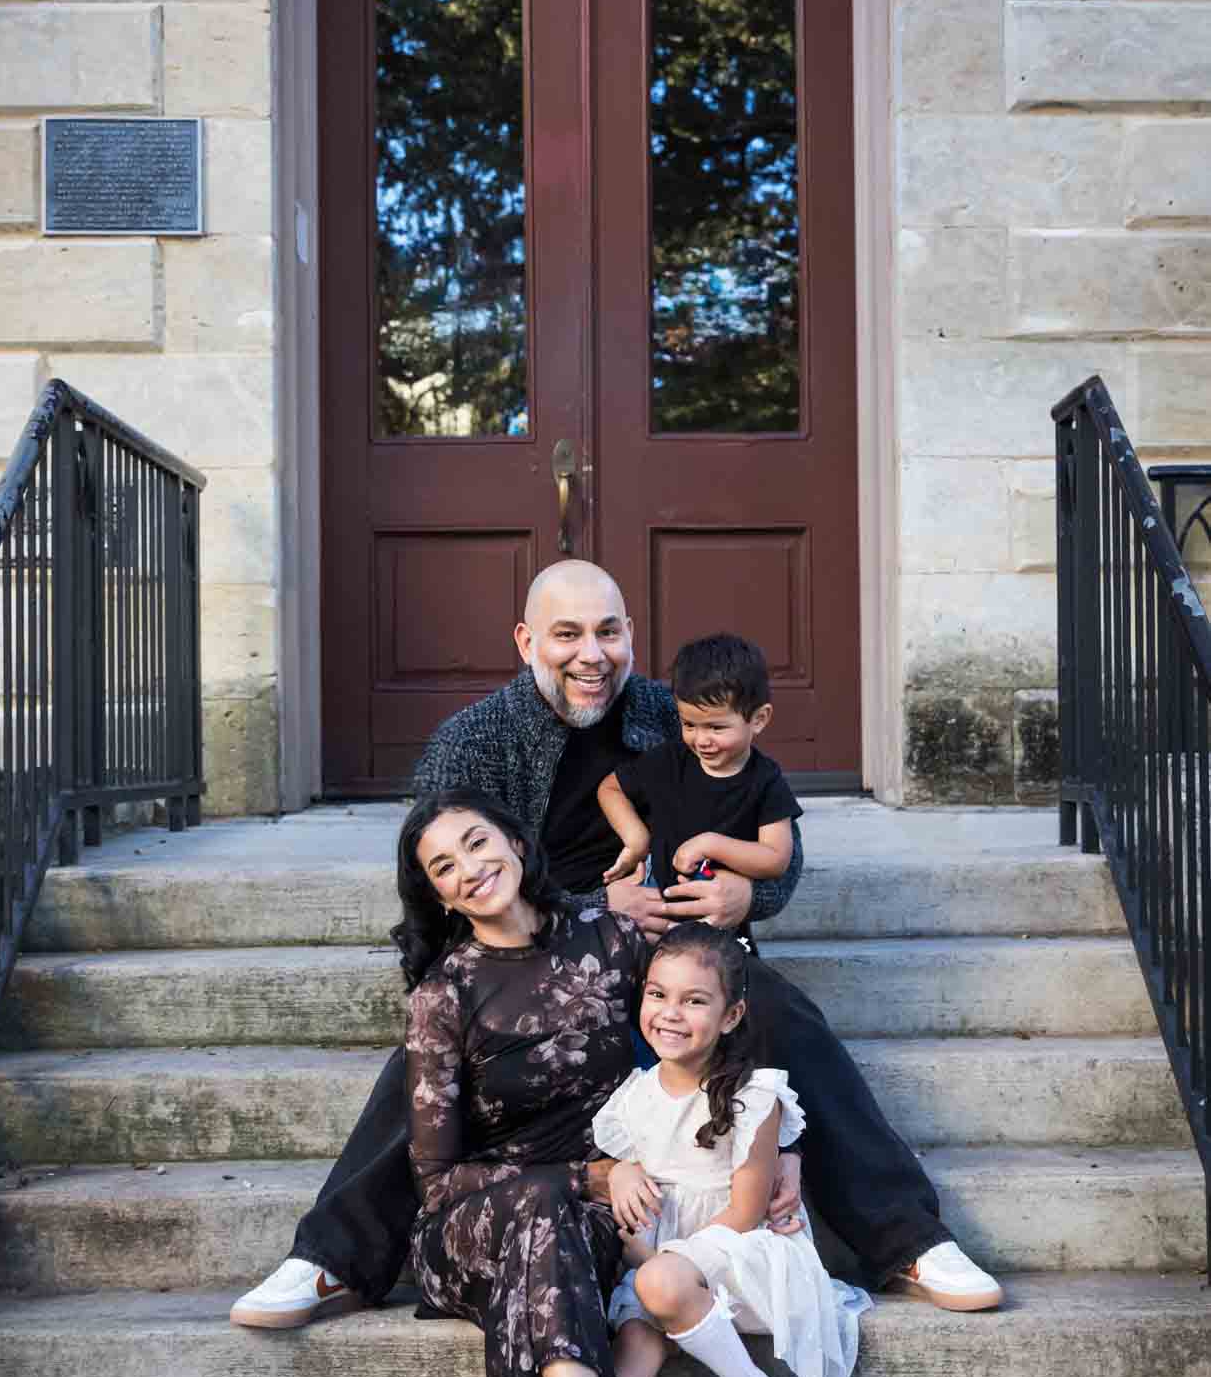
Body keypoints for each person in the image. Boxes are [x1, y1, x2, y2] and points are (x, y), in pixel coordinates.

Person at [230, 558, 1001, 1331]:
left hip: (672, 959)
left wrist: (751, 892)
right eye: (566, 635)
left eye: (607, 632)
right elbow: (455, 885)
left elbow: (769, 823)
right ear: (527, 640)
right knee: (425, 1063)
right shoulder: (472, 742)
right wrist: (598, 905)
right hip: (537, 967)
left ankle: (907, 1240)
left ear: (631, 635)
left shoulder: (673, 713)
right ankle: (332, 1259)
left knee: (777, 1013)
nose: (589, 656)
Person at [399, 789, 670, 1377]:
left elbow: (723, 1002)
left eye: (476, 844)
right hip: (464, 1231)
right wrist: (591, 1173)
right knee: (541, 1209)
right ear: (438, 896)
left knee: (546, 1245)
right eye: (444, 866)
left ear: (515, 842)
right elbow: (436, 1177)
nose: (469, 868)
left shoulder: (612, 941)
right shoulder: (446, 993)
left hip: (578, 1227)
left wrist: (782, 1146)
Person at [592, 921, 871, 1377]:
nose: (671, 1013)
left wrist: (653, 1265)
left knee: (652, 1289)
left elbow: (744, 1214)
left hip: (740, 1256)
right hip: (664, 1263)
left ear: (731, 1015)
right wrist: (621, 1172)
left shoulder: (754, 1096)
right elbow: (616, 1184)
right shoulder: (632, 1098)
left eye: (694, 1000)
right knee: (636, 1337)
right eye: (658, 994)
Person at [598, 631, 801, 943]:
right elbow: (610, 789)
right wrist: (636, 837)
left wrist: (710, 844)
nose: (701, 740)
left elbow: (776, 858)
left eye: (717, 727)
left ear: (759, 719)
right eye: (689, 724)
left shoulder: (765, 781)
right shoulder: (668, 762)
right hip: (654, 919)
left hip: (719, 926)